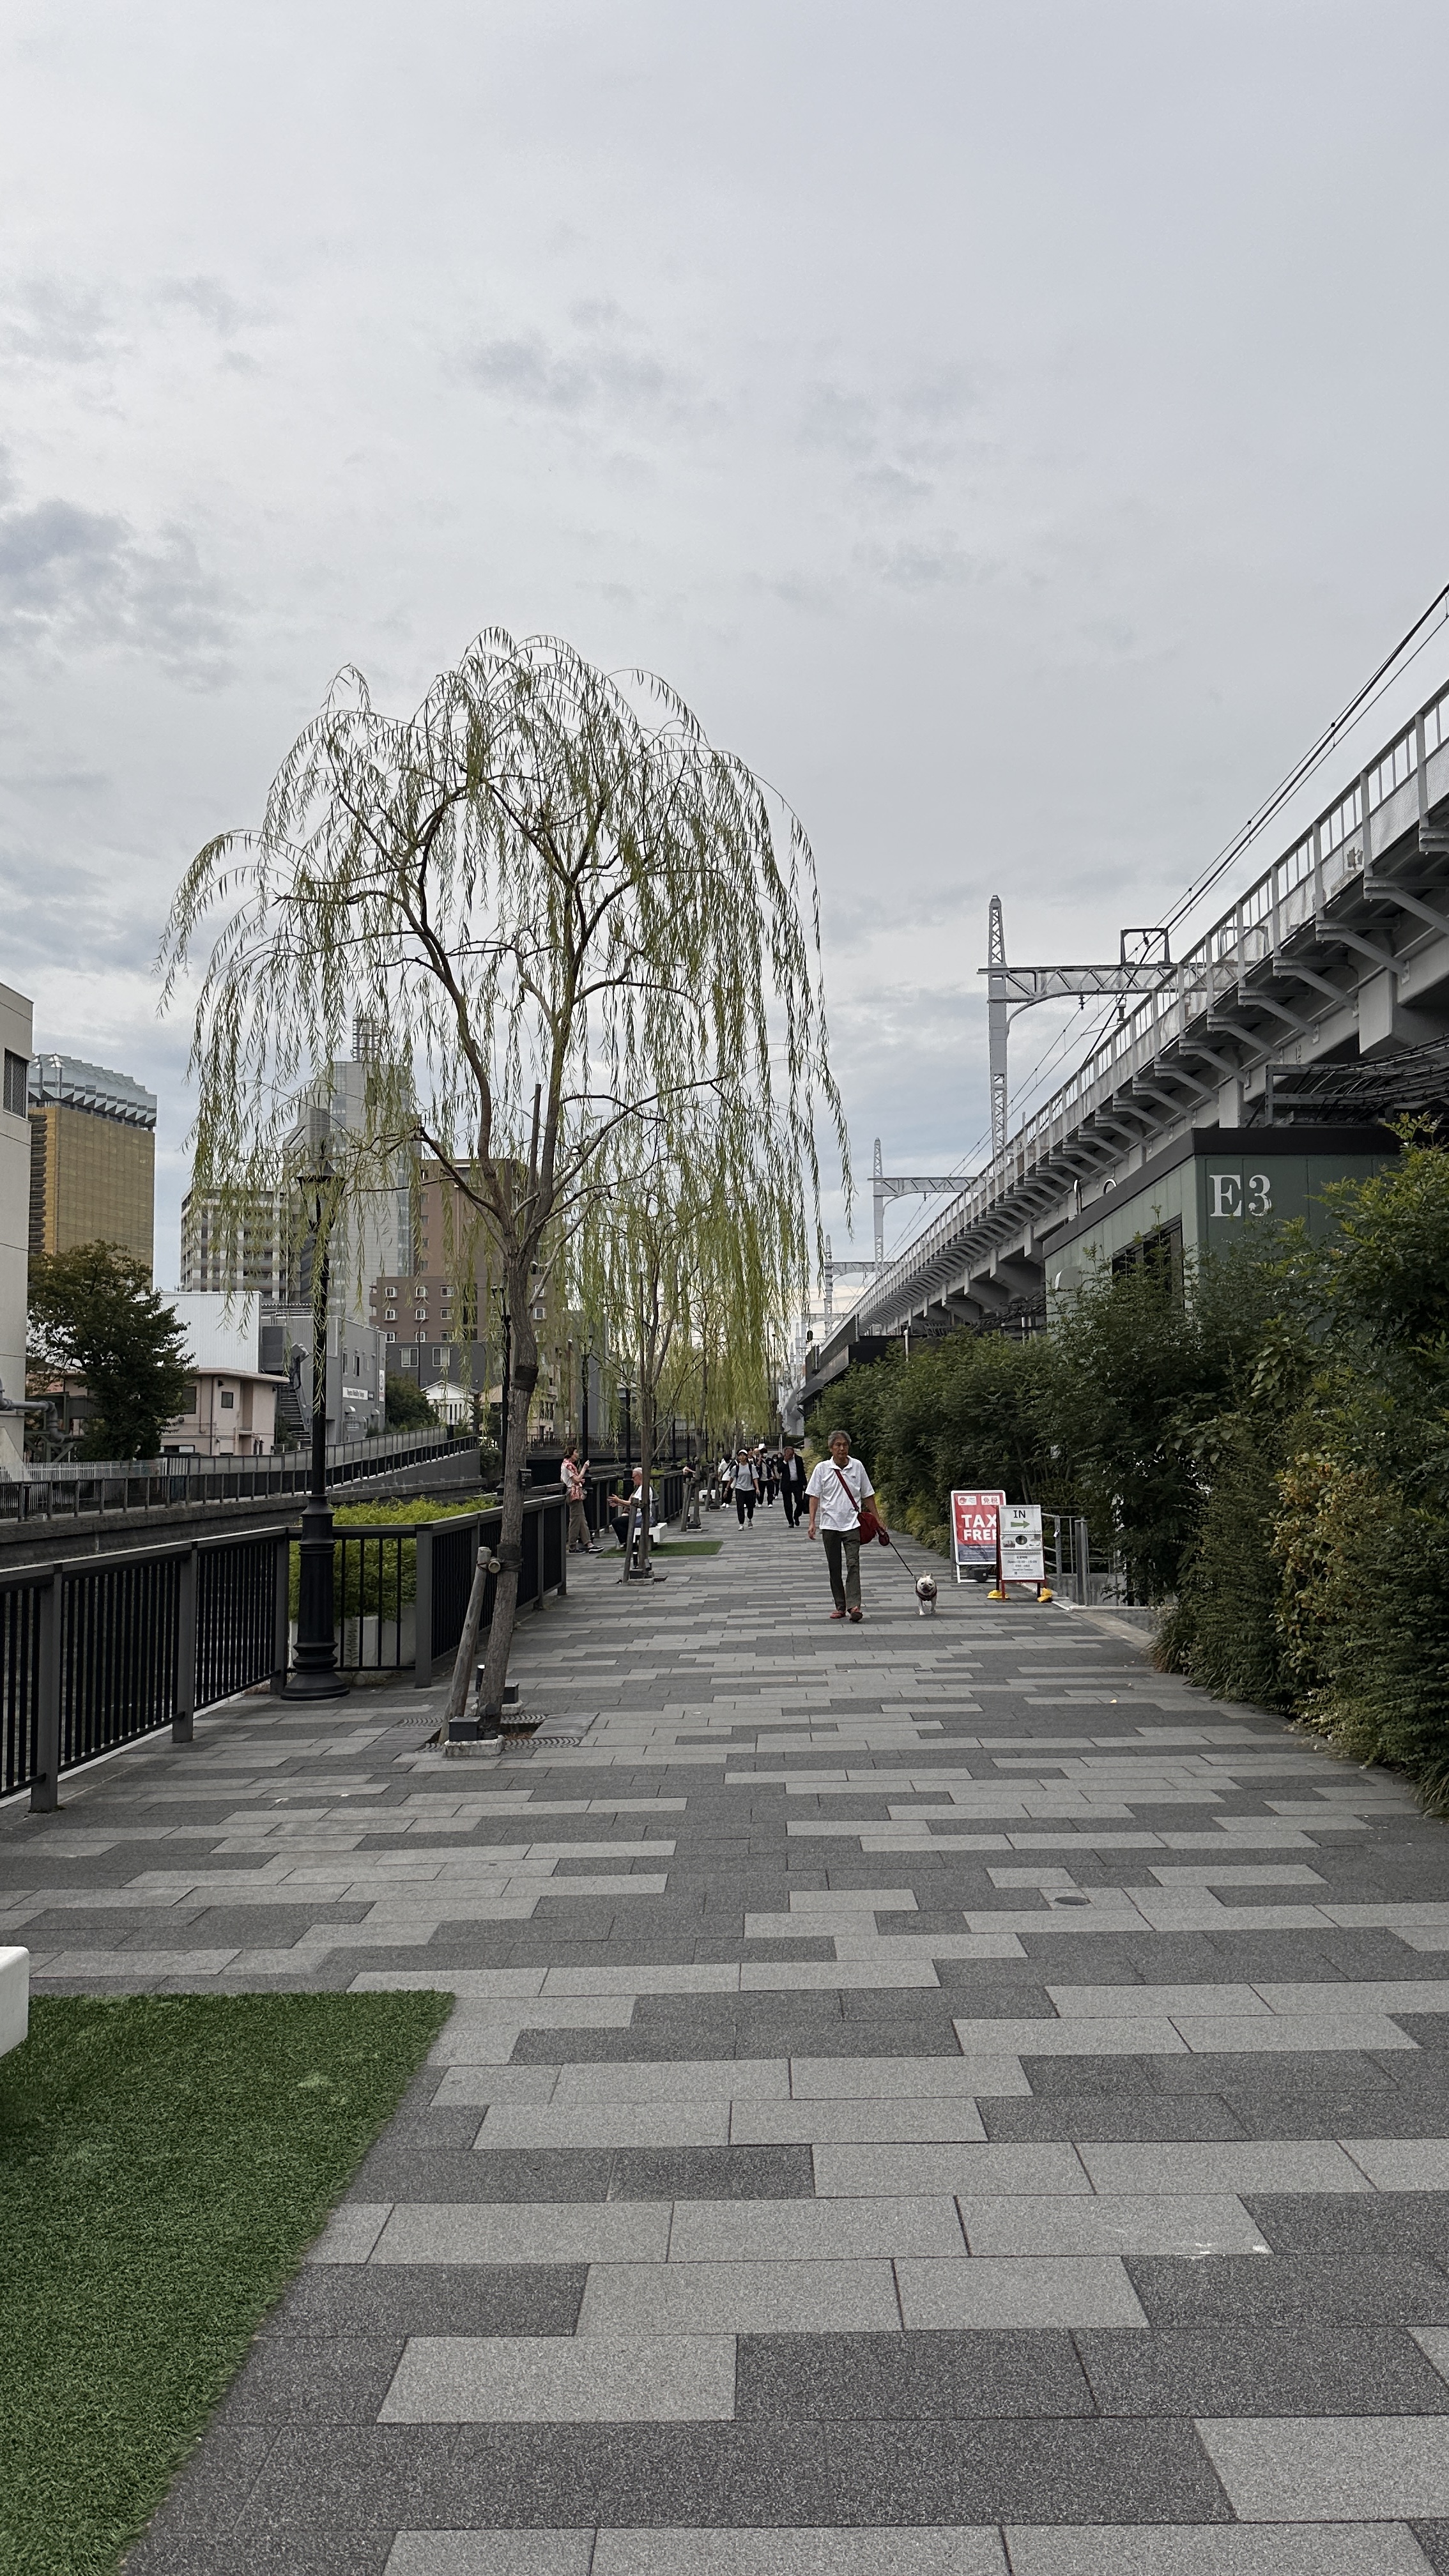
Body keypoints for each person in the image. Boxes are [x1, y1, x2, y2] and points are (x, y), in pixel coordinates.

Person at [806, 1427, 888, 1622]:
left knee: (853, 1564)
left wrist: (877, 1518)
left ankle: (854, 1606)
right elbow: (814, 1496)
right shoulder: (822, 1469)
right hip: (830, 1525)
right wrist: (812, 1522)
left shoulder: (857, 1466)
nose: (842, 1449)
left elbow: (868, 1494)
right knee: (834, 1567)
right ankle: (840, 1606)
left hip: (852, 1524)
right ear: (831, 1448)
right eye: (838, 1445)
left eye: (845, 1445)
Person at [562, 1443, 595, 1554]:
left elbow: (563, 1479)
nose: (577, 1455)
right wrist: (584, 1468)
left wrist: (578, 1481)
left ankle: (588, 1543)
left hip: (573, 1493)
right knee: (576, 1520)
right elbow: (576, 1479)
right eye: (576, 1452)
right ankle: (572, 1546)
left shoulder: (565, 1465)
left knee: (581, 1519)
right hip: (574, 1495)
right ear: (571, 1454)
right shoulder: (569, 1465)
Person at [778, 1441, 808, 1528]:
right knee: (787, 1504)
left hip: (797, 1483)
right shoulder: (782, 1460)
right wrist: (785, 1461)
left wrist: (804, 1483)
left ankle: (796, 1515)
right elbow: (779, 1470)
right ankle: (790, 1521)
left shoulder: (798, 1459)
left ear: (793, 1453)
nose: (789, 1456)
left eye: (790, 1454)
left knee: (800, 1501)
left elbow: (802, 1472)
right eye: (787, 1454)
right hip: (787, 1484)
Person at [731, 1446, 759, 1526]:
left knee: (750, 1506)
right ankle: (741, 1524)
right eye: (740, 1455)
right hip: (739, 1488)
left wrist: (757, 1489)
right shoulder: (736, 1468)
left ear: (746, 1457)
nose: (742, 1457)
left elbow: (755, 1478)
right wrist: (727, 1489)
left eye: (744, 1455)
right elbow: (731, 1478)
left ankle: (749, 1518)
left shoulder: (751, 1467)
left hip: (750, 1489)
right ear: (738, 1457)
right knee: (740, 1506)